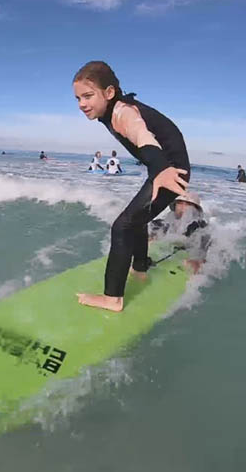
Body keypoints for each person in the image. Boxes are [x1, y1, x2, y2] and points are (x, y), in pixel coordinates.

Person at [73, 61, 189, 312]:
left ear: (110, 93)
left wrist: (162, 168)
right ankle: (140, 267)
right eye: (78, 98)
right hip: (163, 167)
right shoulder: (109, 112)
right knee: (136, 219)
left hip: (169, 171)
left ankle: (112, 298)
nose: (82, 104)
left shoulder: (122, 112)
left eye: (88, 96)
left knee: (122, 226)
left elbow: (141, 135)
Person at [149, 191, 210, 274]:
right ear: (174, 205)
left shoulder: (201, 228)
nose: (183, 207)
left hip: (183, 263)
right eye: (180, 203)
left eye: (188, 204)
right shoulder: (160, 224)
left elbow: (201, 255)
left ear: (196, 209)